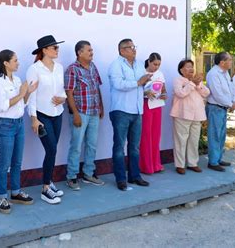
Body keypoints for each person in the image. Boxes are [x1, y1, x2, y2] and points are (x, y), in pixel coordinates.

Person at [0, 50, 38, 214]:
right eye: (15, 60)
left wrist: (28, 93)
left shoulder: (16, 80)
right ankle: (2, 197)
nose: (18, 63)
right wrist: (22, 93)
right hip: (4, 126)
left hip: (18, 124)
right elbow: (3, 105)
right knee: (4, 164)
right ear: (6, 63)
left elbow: (22, 104)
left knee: (17, 162)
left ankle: (16, 192)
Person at [26, 35, 66, 204]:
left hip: (58, 113)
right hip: (42, 115)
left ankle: (49, 181)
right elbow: (31, 96)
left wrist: (62, 98)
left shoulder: (59, 67)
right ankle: (45, 189)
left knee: (53, 149)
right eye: (54, 47)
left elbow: (62, 89)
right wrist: (34, 119)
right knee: (51, 150)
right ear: (44, 50)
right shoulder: (34, 69)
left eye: (57, 47)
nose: (57, 50)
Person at [108, 39, 152, 191]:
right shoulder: (116, 65)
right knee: (119, 147)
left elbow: (140, 84)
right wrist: (139, 82)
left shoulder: (139, 64)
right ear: (121, 51)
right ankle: (121, 179)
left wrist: (148, 83)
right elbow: (118, 85)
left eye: (134, 46)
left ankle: (135, 176)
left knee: (135, 147)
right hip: (121, 110)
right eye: (130, 47)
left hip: (137, 110)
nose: (134, 49)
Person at [64, 41, 105, 191]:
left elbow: (97, 88)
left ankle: (88, 173)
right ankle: (71, 176)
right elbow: (68, 93)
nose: (91, 52)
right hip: (80, 112)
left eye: (92, 50)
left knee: (92, 145)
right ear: (79, 53)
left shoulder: (93, 67)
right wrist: (75, 114)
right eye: (89, 50)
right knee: (76, 145)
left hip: (94, 112)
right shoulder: (72, 69)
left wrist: (101, 106)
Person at [170, 59, 209, 174]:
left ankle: (192, 163)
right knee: (180, 140)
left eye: (192, 66)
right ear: (181, 70)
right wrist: (192, 83)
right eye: (187, 67)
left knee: (194, 140)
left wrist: (198, 84)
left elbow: (206, 93)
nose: (191, 69)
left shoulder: (197, 81)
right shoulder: (178, 80)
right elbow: (181, 93)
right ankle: (180, 165)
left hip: (197, 115)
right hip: (182, 114)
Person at [205, 52, 235, 172]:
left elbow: (231, 88)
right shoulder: (213, 74)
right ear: (222, 62)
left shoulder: (225, 73)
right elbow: (217, 94)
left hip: (222, 108)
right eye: (229, 60)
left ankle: (218, 158)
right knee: (215, 135)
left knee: (222, 135)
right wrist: (230, 104)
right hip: (215, 108)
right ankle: (212, 162)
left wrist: (233, 101)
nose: (231, 62)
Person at [139, 53, 167, 174]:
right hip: (146, 105)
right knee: (146, 135)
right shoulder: (142, 73)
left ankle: (156, 164)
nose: (156, 67)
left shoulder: (160, 74)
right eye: (155, 64)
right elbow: (137, 89)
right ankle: (146, 166)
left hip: (157, 105)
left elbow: (164, 89)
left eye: (159, 65)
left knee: (156, 135)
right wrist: (145, 93)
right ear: (149, 62)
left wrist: (164, 94)